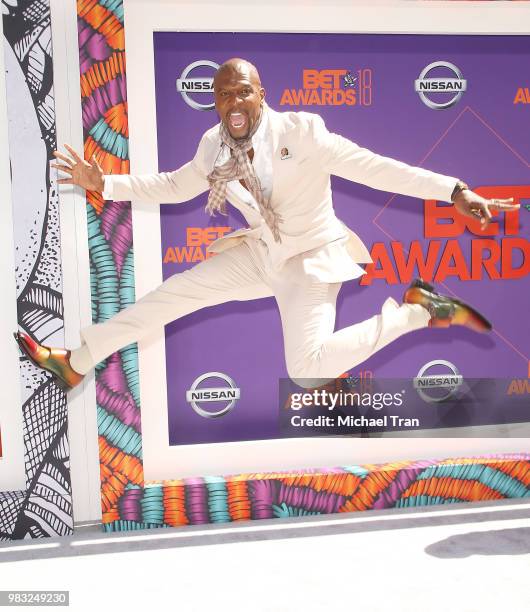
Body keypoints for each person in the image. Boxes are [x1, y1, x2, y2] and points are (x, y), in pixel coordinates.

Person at [14, 58, 518, 391]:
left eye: (240, 93)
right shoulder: (213, 145)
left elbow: (376, 167)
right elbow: (174, 185)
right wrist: (108, 182)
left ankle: (417, 311)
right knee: (170, 296)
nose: (231, 104)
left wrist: (453, 189)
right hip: (261, 253)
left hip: (311, 259)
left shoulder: (305, 132)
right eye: (221, 96)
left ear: (261, 94)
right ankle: (76, 362)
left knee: (305, 370)